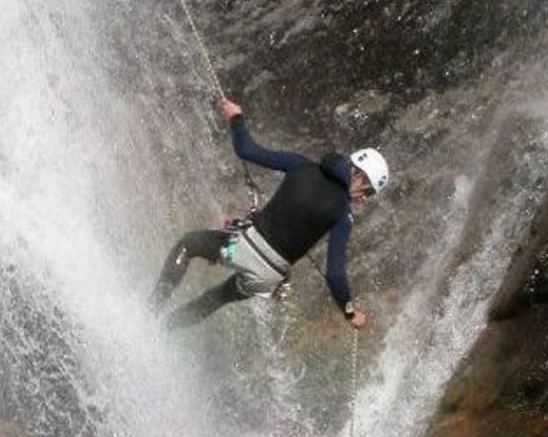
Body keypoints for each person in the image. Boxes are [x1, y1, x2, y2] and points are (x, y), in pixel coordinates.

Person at [151, 97, 389, 331]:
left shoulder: (301, 165)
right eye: (367, 191)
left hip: (239, 249)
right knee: (218, 297)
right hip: (266, 279)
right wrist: (350, 313)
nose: (363, 198)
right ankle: (163, 330)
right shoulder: (342, 215)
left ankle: (150, 313)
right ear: (358, 177)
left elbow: (246, 149)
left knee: (188, 245)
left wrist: (236, 118)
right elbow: (334, 274)